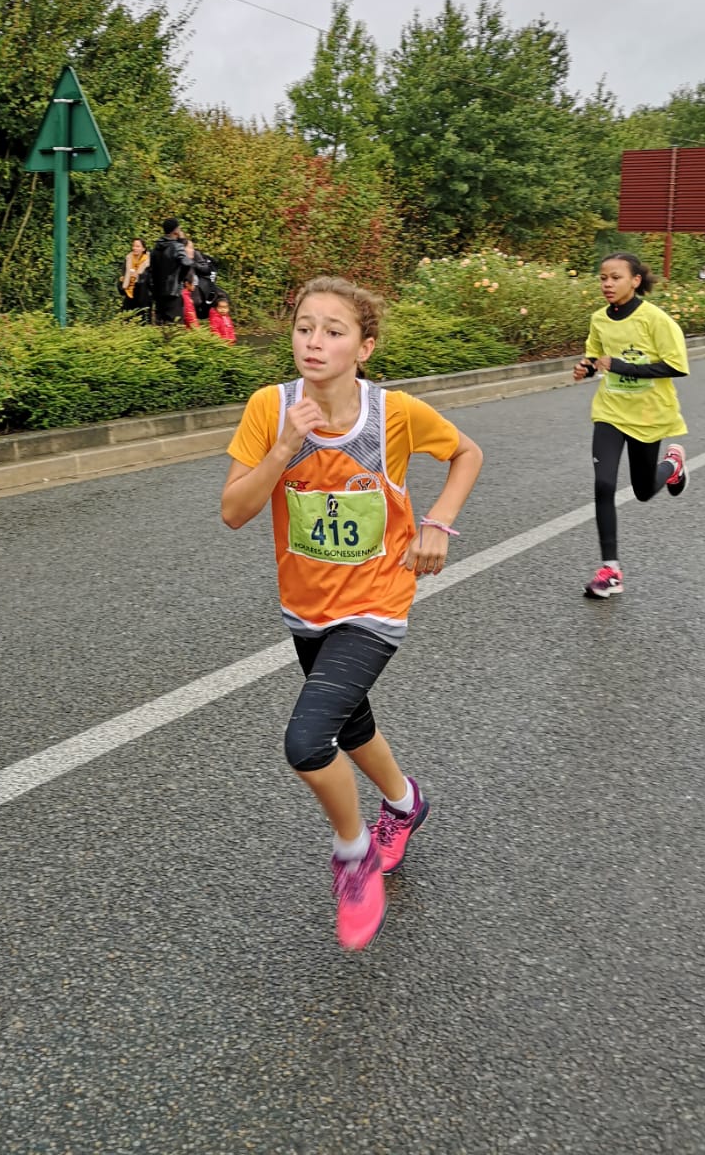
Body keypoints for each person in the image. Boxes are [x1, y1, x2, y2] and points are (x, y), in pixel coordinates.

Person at [220, 276, 483, 950]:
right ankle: (405, 803)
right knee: (352, 719)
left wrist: (438, 523)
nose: (315, 341)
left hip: (377, 600)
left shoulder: (392, 414)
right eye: (305, 327)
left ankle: (353, 850)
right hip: (305, 606)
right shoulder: (268, 407)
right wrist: (285, 447)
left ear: (364, 348)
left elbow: (465, 453)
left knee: (309, 742)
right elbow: (234, 512)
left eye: (334, 331)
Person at [573, 253, 689, 600]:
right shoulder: (599, 319)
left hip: (649, 415)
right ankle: (610, 570)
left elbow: (676, 365)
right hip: (609, 412)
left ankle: (672, 465)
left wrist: (623, 366)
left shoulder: (655, 319)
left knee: (641, 490)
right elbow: (596, 358)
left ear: (635, 280)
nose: (607, 284)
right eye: (603, 278)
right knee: (604, 483)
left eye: (615, 277)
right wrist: (587, 369)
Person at [149, 217, 194, 325]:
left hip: (158, 292)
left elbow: (152, 270)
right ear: (175, 230)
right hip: (173, 292)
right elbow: (187, 263)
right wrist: (181, 278)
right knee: (175, 324)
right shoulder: (177, 247)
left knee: (160, 324)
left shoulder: (156, 247)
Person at [119, 237, 150, 317]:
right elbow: (123, 275)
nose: (134, 248)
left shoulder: (148, 261)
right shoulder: (128, 259)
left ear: (143, 248)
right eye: (133, 246)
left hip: (142, 296)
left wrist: (138, 276)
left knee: (142, 320)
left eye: (137, 246)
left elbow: (149, 279)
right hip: (129, 294)